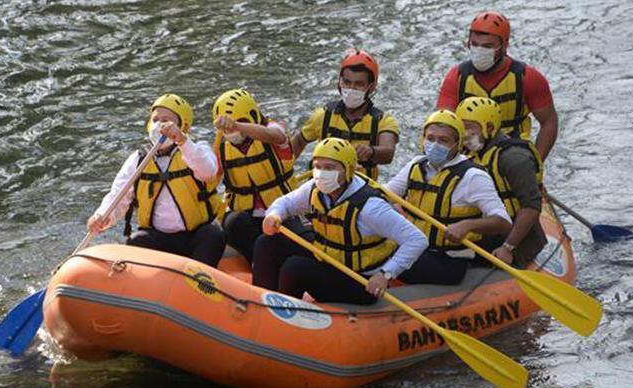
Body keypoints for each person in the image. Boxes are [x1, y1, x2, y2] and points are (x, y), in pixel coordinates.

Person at [252, 138, 428, 305]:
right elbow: (286, 203)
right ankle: (259, 302)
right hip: (329, 259)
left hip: (358, 280)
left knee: (295, 268)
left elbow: (417, 239)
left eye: (330, 167)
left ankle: (283, 317)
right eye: (317, 166)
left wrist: (386, 274)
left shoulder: (371, 208)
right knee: (267, 243)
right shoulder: (315, 188)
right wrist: (274, 215)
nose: (321, 173)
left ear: (348, 170)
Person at [87, 93, 225, 267]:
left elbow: (208, 171)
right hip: (158, 238)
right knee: (137, 240)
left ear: (183, 125)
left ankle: (200, 283)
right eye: (155, 119)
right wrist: (101, 216)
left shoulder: (196, 150)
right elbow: (119, 195)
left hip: (195, 236)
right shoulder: (138, 159)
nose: (160, 124)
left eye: (167, 120)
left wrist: (182, 140)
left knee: (213, 235)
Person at [385, 110, 512, 285]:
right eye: (430, 138)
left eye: (443, 140)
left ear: (457, 144)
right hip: (415, 247)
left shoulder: (473, 176)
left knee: (383, 259)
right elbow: (383, 196)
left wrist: (468, 225)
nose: (434, 144)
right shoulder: (416, 165)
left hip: (447, 258)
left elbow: (503, 222)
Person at [435, 11, 558, 160]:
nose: (479, 50)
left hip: (514, 155)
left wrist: (536, 164)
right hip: (468, 152)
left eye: (487, 46)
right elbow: (443, 124)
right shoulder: (457, 77)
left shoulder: (528, 78)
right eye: (474, 44)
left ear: (504, 45)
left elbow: (549, 122)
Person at [212, 88, 300, 264]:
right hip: (246, 216)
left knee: (292, 238)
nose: (232, 131)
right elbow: (210, 178)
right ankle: (257, 262)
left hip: (280, 212)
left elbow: (274, 136)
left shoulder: (273, 129)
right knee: (233, 223)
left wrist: (237, 125)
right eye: (227, 127)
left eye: (240, 122)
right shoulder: (221, 147)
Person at [456, 96, 546, 267]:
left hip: (512, 237)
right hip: (484, 227)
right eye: (460, 127)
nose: (463, 133)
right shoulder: (470, 151)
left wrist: (508, 247)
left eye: (468, 127)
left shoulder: (514, 159)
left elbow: (531, 206)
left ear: (488, 127)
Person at [291, 49, 400, 179]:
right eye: (347, 82)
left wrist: (371, 151)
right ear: (339, 81)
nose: (351, 89)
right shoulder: (323, 116)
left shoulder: (383, 121)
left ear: (371, 86)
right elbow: (298, 141)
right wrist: (285, 168)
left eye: (359, 84)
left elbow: (388, 153)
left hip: (361, 189)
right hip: (322, 184)